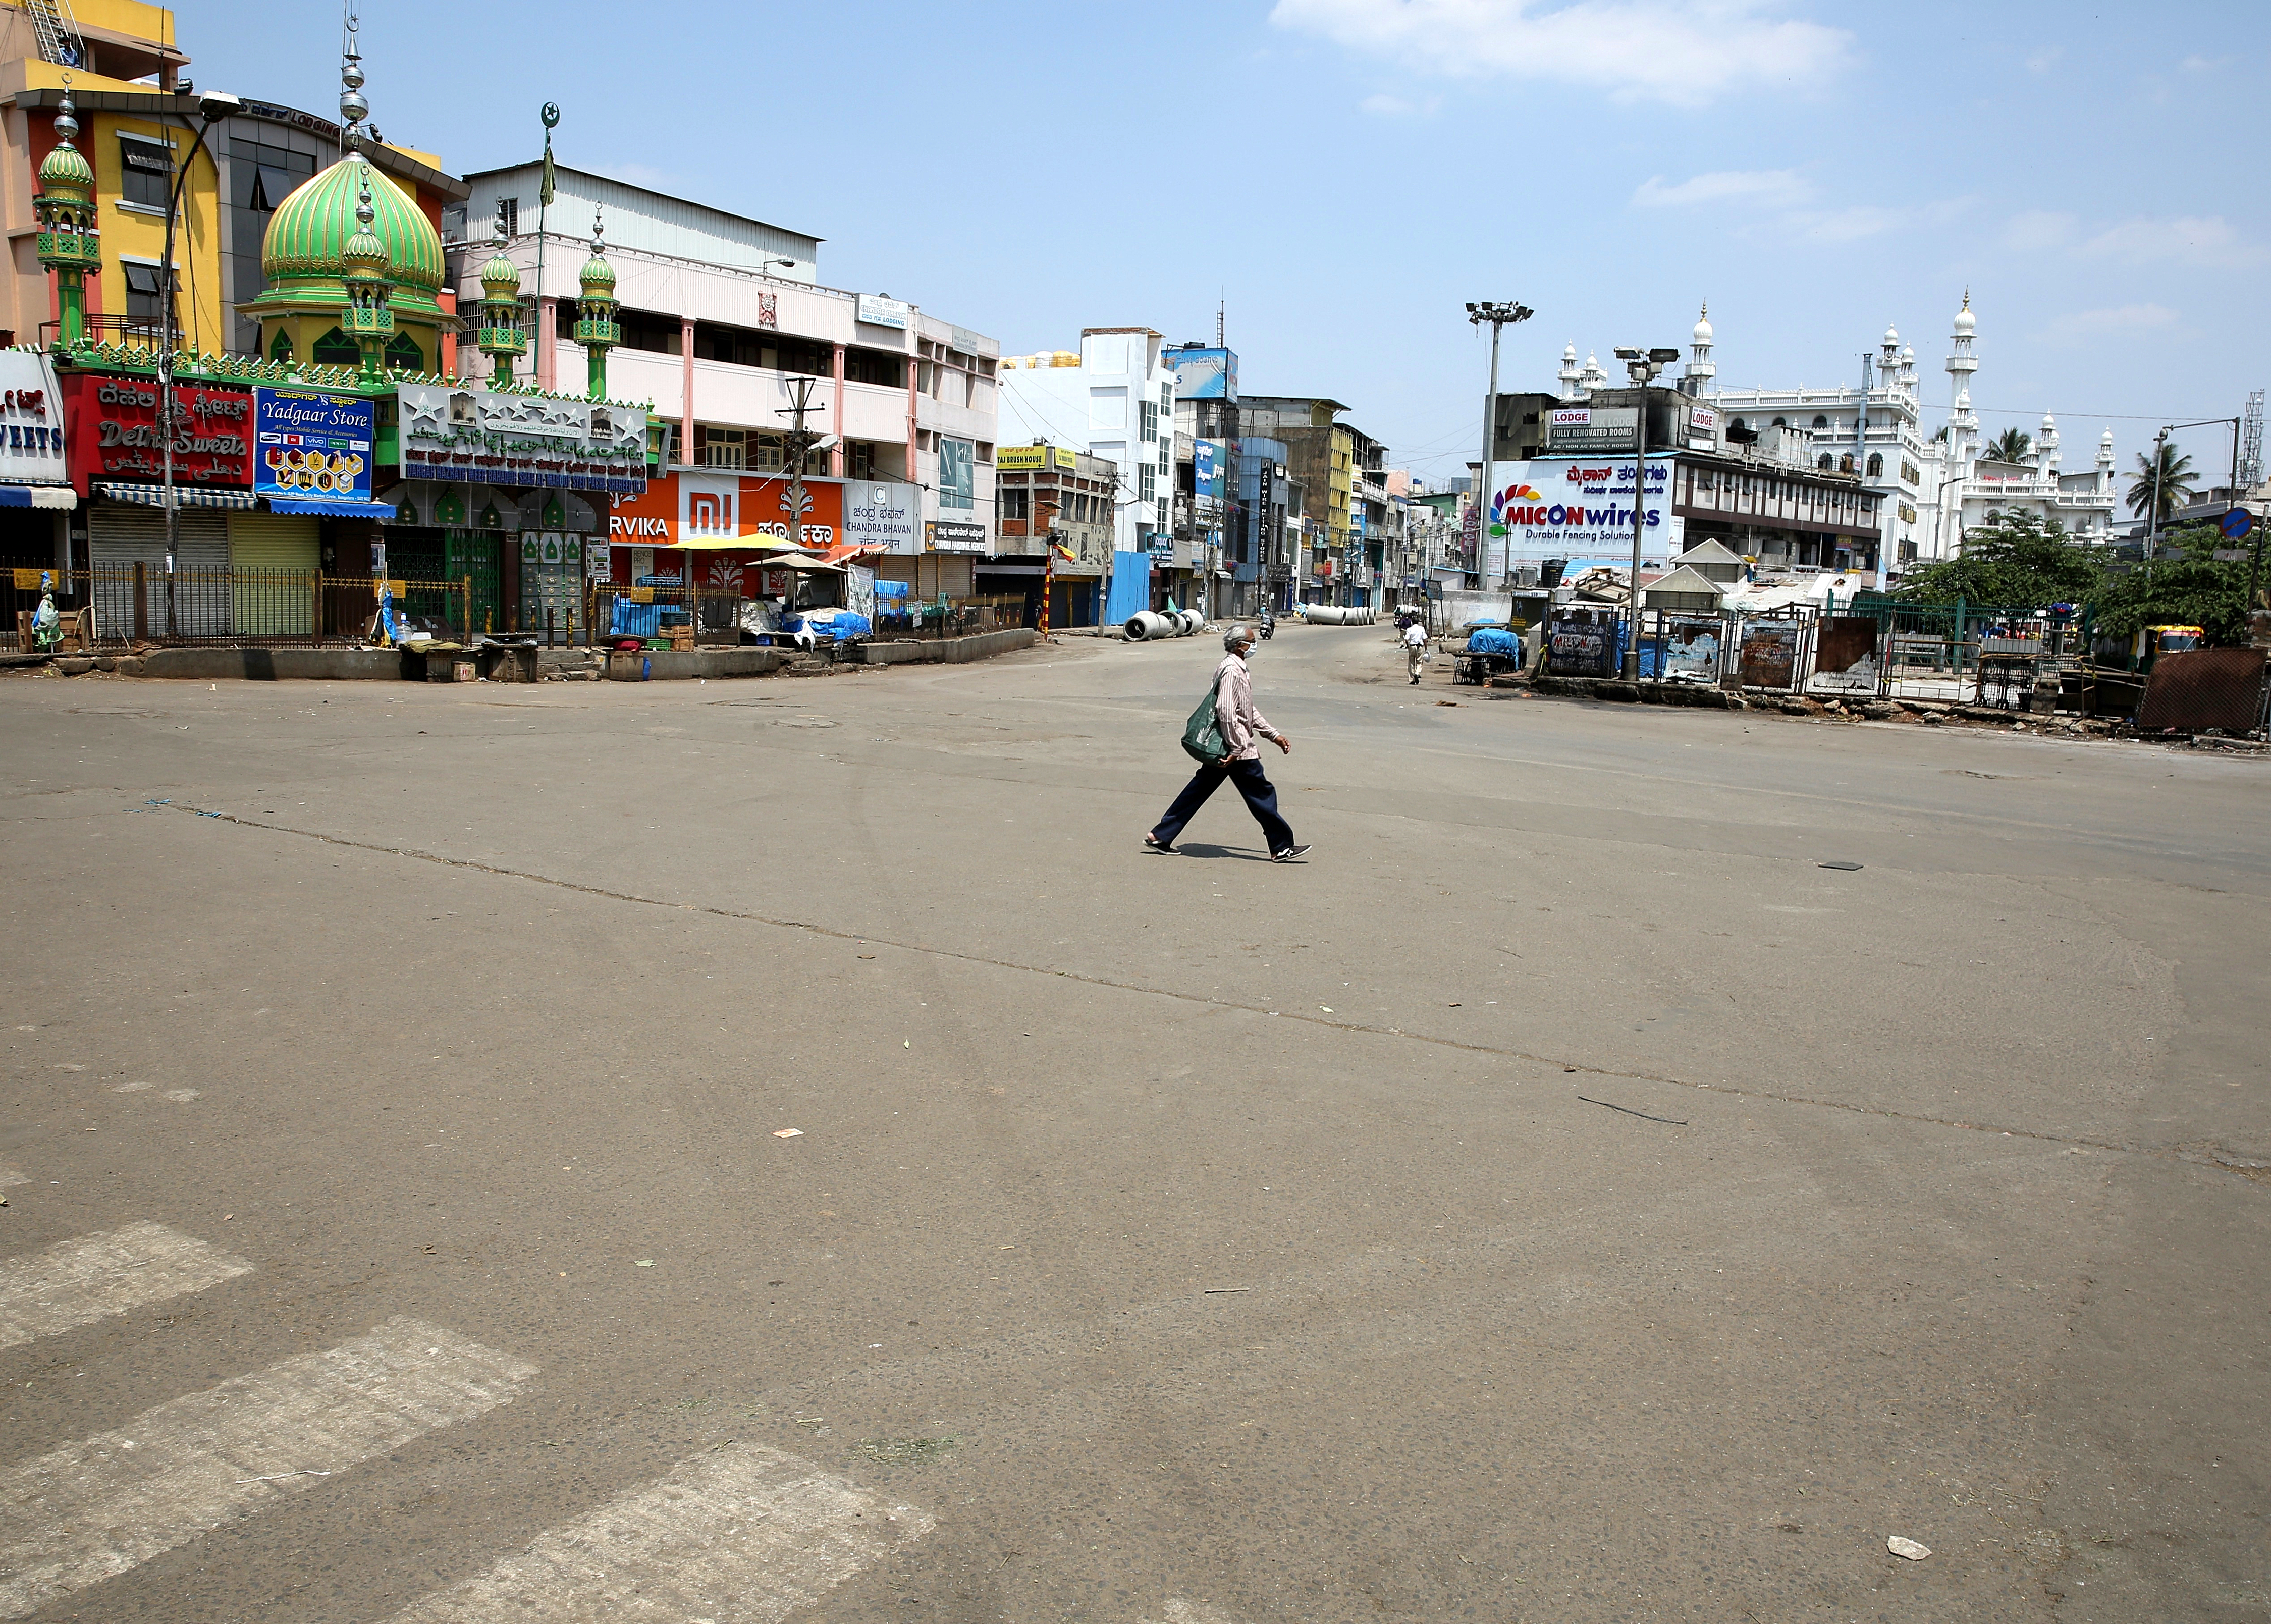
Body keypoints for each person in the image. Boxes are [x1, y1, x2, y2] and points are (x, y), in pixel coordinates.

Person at [1145, 624, 1310, 862]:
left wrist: (1273, 735)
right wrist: (1236, 748)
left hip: (1227, 746)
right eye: (1251, 641)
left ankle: (1160, 836)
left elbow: (1247, 708)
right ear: (1240, 645)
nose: (1254, 645)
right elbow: (1226, 710)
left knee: (1198, 791)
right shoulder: (1233, 671)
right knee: (1262, 794)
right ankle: (1282, 846)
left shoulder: (1233, 667)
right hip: (1236, 748)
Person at [1402, 616, 1429, 684]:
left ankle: (1412, 680)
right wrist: (1426, 648)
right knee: (1419, 662)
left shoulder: (1409, 629)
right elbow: (1425, 640)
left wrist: (1408, 647)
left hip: (1412, 647)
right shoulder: (1422, 629)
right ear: (1418, 622)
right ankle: (1417, 673)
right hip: (1419, 647)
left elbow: (1406, 639)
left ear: (1412, 622)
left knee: (1411, 663)